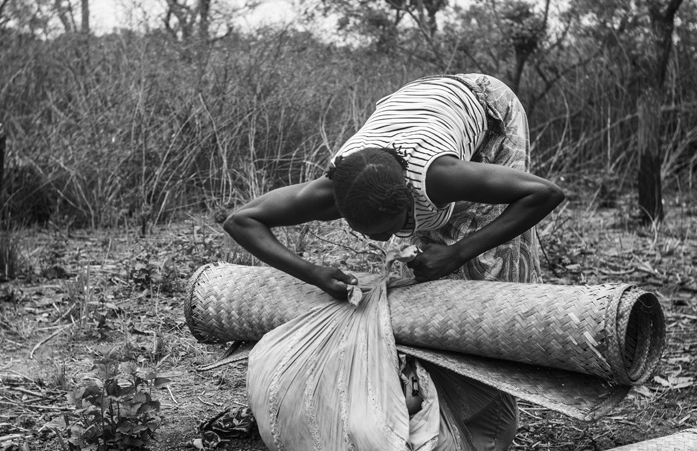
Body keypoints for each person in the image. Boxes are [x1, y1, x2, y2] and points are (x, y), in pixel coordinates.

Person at [223, 73, 564, 299]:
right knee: (415, 274)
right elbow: (242, 221)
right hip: (413, 103)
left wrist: (459, 252)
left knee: (492, 263)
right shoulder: (333, 190)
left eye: (389, 228)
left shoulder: (439, 177)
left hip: (485, 104)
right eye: (371, 233)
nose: (382, 240)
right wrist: (312, 273)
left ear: (408, 193)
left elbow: (544, 193)